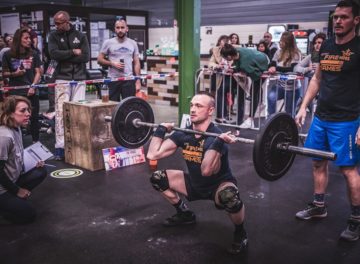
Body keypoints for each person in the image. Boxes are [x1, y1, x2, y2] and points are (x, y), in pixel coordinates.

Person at [146, 92, 248, 255]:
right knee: (158, 178)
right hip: (194, 183)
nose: (193, 109)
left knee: (230, 197)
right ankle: (184, 213)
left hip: (218, 186)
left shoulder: (215, 137)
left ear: (210, 111)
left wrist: (220, 141)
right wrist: (161, 130)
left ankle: (240, 232)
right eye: (192, 105)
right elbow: (153, 155)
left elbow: (207, 170)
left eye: (199, 106)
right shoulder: (183, 134)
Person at [295, 0, 360, 242]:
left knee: (348, 170)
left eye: (344, 17)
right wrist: (303, 107)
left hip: (347, 119)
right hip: (321, 117)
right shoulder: (327, 46)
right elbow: (317, 79)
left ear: (356, 20)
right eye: (336, 17)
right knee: (317, 163)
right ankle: (319, 206)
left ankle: (355, 220)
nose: (339, 21)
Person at [48, 10, 90, 160]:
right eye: (55, 23)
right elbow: (53, 54)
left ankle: (78, 145)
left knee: (78, 113)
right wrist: (72, 52)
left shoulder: (81, 36)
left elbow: (85, 56)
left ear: (67, 21)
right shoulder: (53, 36)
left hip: (79, 79)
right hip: (61, 79)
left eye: (59, 23)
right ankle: (60, 148)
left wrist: (65, 56)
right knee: (60, 113)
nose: (56, 26)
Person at [0, 96, 47, 224]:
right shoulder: (4, 136)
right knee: (29, 215)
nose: (28, 114)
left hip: (11, 180)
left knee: (40, 171)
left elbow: (16, 156)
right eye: (22, 111)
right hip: (1, 188)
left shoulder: (17, 127)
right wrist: (17, 191)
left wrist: (33, 163)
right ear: (9, 113)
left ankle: (11, 202)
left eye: (28, 110)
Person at [2, 28, 42, 143]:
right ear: (18, 39)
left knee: (34, 118)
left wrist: (33, 86)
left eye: (29, 38)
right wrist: (15, 74)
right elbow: (4, 73)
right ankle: (16, 143)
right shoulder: (7, 54)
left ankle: (36, 143)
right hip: (16, 94)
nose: (29, 40)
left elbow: (38, 72)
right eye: (26, 38)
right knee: (15, 119)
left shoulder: (34, 53)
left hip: (32, 92)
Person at [220, 43, 269, 134]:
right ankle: (250, 120)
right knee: (253, 91)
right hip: (258, 59)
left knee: (254, 91)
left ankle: (250, 119)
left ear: (229, 56)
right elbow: (238, 63)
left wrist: (245, 73)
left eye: (225, 57)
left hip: (264, 63)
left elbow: (257, 75)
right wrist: (235, 70)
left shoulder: (245, 64)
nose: (225, 59)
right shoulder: (238, 51)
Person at [97, 19, 141, 102]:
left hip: (128, 80)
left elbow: (136, 62)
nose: (120, 30)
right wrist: (112, 63)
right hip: (113, 80)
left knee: (128, 106)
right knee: (112, 107)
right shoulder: (108, 43)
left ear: (126, 29)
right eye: (118, 28)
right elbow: (99, 59)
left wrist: (138, 81)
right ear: (115, 29)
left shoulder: (133, 43)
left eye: (122, 27)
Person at [267, 31, 302, 117]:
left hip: (292, 88)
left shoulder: (296, 53)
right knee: (271, 97)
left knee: (289, 112)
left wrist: (276, 68)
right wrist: (271, 67)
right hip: (280, 85)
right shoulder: (278, 52)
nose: (280, 42)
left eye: (282, 40)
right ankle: (272, 120)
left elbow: (293, 69)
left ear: (288, 42)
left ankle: (289, 129)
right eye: (280, 40)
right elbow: (273, 63)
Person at [209, 35, 233, 123]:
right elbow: (210, 63)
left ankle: (225, 114)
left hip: (231, 76)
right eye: (220, 44)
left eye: (224, 44)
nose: (221, 46)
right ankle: (220, 116)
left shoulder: (233, 49)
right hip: (219, 76)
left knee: (227, 96)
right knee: (220, 94)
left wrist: (231, 67)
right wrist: (217, 66)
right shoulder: (215, 50)